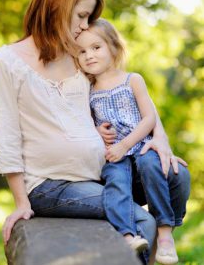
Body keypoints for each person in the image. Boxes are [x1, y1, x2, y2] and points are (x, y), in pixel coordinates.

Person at [0, 0, 190, 265]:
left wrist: (160, 138)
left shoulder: (77, 55)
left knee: (175, 176)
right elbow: (8, 138)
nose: (85, 26)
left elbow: (129, 92)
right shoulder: (6, 62)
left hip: (103, 171)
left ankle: (159, 234)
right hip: (50, 184)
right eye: (81, 15)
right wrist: (20, 202)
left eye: (89, 18)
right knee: (141, 222)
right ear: (58, 5)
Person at [76, 18, 186, 264]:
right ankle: (127, 235)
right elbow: (86, 124)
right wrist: (97, 130)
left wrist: (126, 145)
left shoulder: (132, 79)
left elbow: (149, 119)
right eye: (81, 51)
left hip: (142, 146)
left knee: (152, 167)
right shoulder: (88, 89)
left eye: (96, 47)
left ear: (113, 47)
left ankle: (165, 231)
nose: (88, 55)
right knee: (115, 182)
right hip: (114, 154)